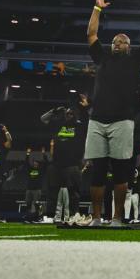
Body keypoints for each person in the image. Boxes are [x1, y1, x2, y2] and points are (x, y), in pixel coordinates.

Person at [84, 0, 140, 227]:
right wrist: (97, 8)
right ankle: (96, 218)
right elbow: (91, 33)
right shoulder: (102, 57)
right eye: (115, 40)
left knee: (120, 172)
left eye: (123, 41)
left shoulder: (136, 60)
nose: (118, 43)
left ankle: (116, 218)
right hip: (97, 120)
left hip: (123, 121)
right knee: (97, 172)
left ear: (129, 46)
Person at [40, 94, 89, 223]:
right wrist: (54, 111)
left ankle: (74, 215)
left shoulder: (79, 127)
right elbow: (43, 119)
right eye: (67, 114)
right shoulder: (58, 124)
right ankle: (51, 216)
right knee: (53, 192)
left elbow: (90, 121)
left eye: (72, 114)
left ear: (76, 115)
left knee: (74, 192)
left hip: (73, 164)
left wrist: (85, 108)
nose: (69, 115)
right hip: (56, 163)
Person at [22, 148, 44, 221]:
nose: (35, 164)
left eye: (36, 163)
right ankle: (28, 216)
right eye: (34, 163)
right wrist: (28, 154)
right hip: (29, 189)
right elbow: (26, 163)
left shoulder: (41, 170)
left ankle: (38, 217)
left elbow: (46, 163)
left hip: (37, 190)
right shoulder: (30, 169)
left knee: (36, 204)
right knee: (28, 203)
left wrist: (43, 154)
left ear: (38, 164)